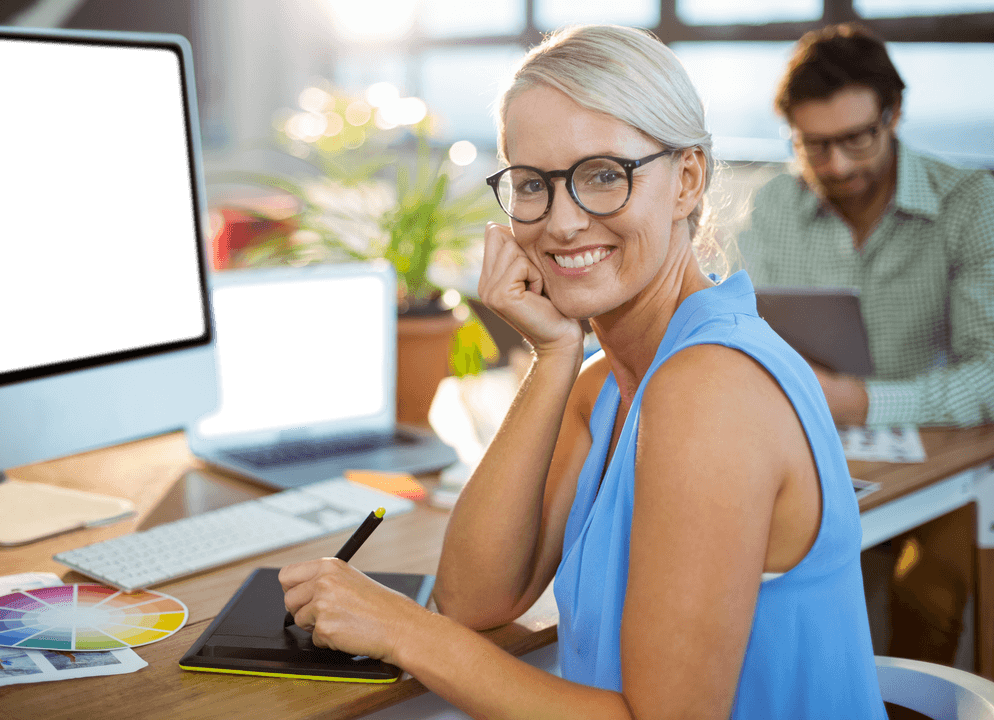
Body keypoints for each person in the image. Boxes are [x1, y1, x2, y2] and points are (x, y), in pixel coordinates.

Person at [280, 25, 887, 718]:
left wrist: (400, 628)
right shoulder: (608, 384)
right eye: (534, 184)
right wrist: (554, 354)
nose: (562, 222)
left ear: (687, 179)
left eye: (604, 175)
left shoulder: (710, 388)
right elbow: (475, 599)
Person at [738, 22, 994, 665]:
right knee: (756, 576)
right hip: (804, 446)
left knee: (931, 589)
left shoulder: (969, 206)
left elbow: (989, 375)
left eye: (856, 138)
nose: (837, 165)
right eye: (813, 145)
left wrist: (860, 402)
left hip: (940, 457)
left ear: (895, 114)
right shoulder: (771, 207)